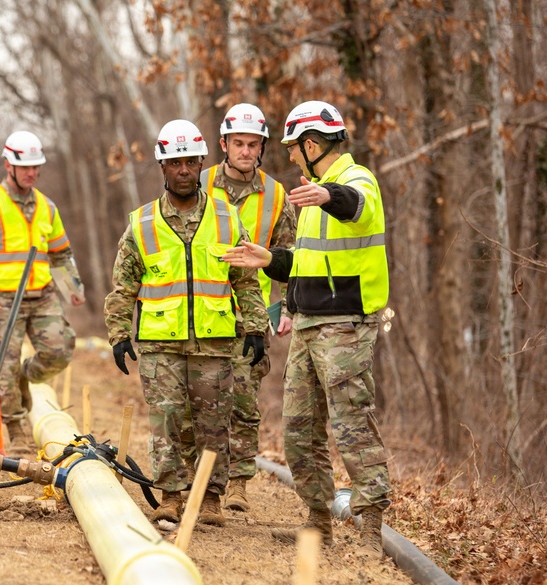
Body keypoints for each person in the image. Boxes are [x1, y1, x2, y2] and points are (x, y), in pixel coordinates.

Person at [221, 100, 393, 559]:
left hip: (345, 325)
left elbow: (358, 208)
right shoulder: (313, 192)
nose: (292, 156)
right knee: (298, 430)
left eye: (295, 148)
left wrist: (329, 196)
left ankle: (370, 528)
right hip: (309, 324)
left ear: (312, 144)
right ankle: (318, 521)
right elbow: (309, 261)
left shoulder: (355, 182)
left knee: (351, 423)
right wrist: (269, 259)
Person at [104, 119, 268, 528]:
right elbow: (123, 286)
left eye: (190, 162)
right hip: (161, 343)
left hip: (215, 342)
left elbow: (246, 279)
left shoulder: (227, 218)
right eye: (175, 162)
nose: (183, 170)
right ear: (162, 166)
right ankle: (171, 496)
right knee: (167, 421)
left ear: (200, 164)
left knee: (214, 423)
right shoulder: (141, 224)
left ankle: (210, 498)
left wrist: (256, 327)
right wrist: (119, 334)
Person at [0, 130, 85, 455]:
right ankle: (16, 430)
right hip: (1, 297)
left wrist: (72, 287)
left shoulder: (47, 206)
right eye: (24, 166)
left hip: (41, 294)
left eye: (36, 166)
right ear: (8, 165)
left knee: (60, 349)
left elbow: (60, 253)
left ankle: (29, 376)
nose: (31, 172)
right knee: (6, 365)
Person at [198, 102, 296, 513]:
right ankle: (205, 488)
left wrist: (287, 306)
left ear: (262, 147)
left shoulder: (276, 195)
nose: (245, 151)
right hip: (202, 307)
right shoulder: (197, 182)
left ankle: (237, 483)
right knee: (203, 403)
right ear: (223, 144)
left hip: (250, 315)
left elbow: (290, 255)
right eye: (238, 143)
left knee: (242, 401)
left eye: (253, 144)